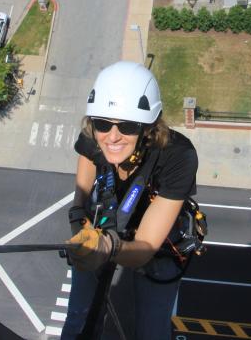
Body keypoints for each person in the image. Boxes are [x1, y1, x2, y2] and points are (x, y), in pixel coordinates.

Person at [61, 61, 200, 340]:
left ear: (148, 126)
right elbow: (89, 156)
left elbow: (146, 247)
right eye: (103, 124)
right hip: (102, 225)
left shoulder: (176, 156)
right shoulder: (94, 133)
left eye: (127, 126)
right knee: (79, 319)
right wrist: (78, 212)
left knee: (151, 330)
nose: (112, 137)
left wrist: (106, 246)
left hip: (159, 245)